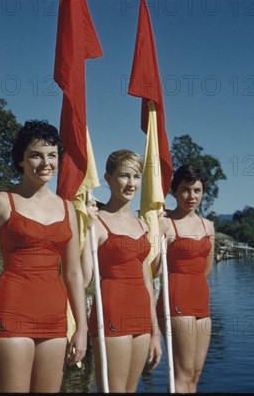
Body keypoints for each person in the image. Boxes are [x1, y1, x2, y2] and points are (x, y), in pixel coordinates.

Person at [0, 120, 88, 392]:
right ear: (20, 160)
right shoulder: (0, 201)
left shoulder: (68, 210)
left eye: (52, 155)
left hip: (55, 317)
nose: (46, 162)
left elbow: (73, 273)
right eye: (36, 155)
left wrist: (82, 327)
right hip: (11, 311)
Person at [81, 149, 163, 392]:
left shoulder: (141, 223)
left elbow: (147, 281)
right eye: (124, 176)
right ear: (108, 178)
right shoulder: (97, 221)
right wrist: (85, 228)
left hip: (141, 313)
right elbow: (85, 278)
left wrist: (154, 332)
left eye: (136, 176)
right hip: (112, 311)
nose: (131, 183)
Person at [154, 164, 215, 393]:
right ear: (174, 192)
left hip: (202, 302)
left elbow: (206, 270)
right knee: (183, 373)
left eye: (197, 190)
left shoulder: (208, 226)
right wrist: (158, 233)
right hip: (177, 302)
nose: (192, 196)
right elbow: (154, 270)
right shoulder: (166, 224)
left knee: (196, 375)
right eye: (185, 190)